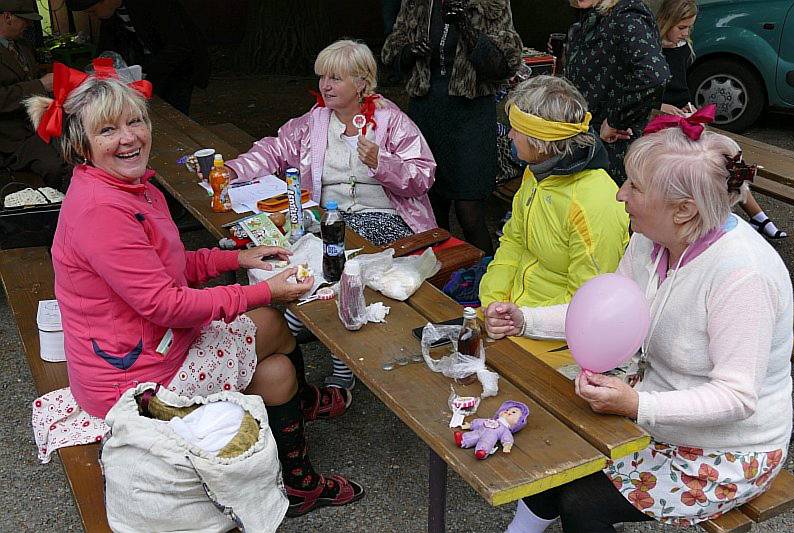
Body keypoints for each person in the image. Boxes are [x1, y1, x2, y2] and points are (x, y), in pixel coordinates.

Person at [24, 67, 363, 518]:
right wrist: (266, 292)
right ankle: (299, 458)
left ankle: (297, 420)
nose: (128, 138)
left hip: (145, 348)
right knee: (273, 350)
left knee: (274, 345)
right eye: (108, 130)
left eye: (135, 122)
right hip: (132, 380)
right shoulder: (100, 210)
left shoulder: (129, 187)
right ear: (80, 145)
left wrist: (238, 260)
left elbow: (168, 266)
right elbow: (166, 304)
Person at [490, 108, 792, 532]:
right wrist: (525, 320)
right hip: (656, 412)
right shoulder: (651, 241)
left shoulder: (742, 276)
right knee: (554, 445)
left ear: (684, 210)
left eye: (635, 186)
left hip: (728, 448)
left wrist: (638, 404)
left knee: (583, 501)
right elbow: (603, 315)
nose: (619, 195)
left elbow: (737, 398)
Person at [226, 39, 437, 394]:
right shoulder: (317, 119)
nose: (325, 85)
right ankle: (287, 340)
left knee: (330, 259)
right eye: (323, 76)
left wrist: (382, 163)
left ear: (361, 82)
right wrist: (234, 171)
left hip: (385, 218)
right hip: (330, 217)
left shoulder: (391, 121)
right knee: (280, 251)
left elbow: (423, 175)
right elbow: (276, 148)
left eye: (336, 78)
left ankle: (318, 350)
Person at [382, 0, 523, 256]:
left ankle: (486, 281)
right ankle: (442, 278)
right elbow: (390, 54)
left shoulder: (490, 4)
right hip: (427, 112)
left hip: (471, 115)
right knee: (433, 210)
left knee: (469, 212)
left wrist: (466, 27)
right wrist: (409, 52)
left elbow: (503, 65)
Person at [479, 75, 629, 311]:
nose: (510, 136)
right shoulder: (537, 172)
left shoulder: (593, 204)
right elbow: (513, 241)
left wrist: (521, 320)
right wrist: (493, 301)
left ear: (540, 140)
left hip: (554, 333)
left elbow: (587, 302)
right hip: (513, 313)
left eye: (516, 129)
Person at [656, 0, 787, 240]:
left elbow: (681, 87)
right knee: (711, 164)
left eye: (689, 28)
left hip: (685, 116)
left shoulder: (683, 46)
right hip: (662, 123)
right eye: (682, 27)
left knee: (730, 160)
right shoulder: (650, 50)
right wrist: (662, 107)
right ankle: (730, 218)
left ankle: (758, 216)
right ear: (667, 21)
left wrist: (688, 106)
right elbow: (645, 94)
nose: (685, 33)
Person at [564, 0, 670, 186]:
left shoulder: (627, 17)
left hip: (608, 150)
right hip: (588, 140)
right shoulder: (597, 14)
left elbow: (654, 75)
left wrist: (615, 119)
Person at [65, 0, 209, 115]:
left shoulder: (155, 4)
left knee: (174, 109)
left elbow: (180, 46)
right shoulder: (112, 13)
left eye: (92, 11)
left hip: (180, 64)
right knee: (149, 105)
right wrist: (96, 75)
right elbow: (106, 47)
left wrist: (144, 73)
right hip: (151, 62)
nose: (93, 16)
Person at [0, 1, 70, 190]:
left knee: (80, 147)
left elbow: (32, 76)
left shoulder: (21, 45)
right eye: (25, 20)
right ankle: (53, 210)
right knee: (55, 166)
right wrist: (39, 85)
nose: (29, 25)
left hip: (38, 125)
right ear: (7, 17)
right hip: (11, 138)